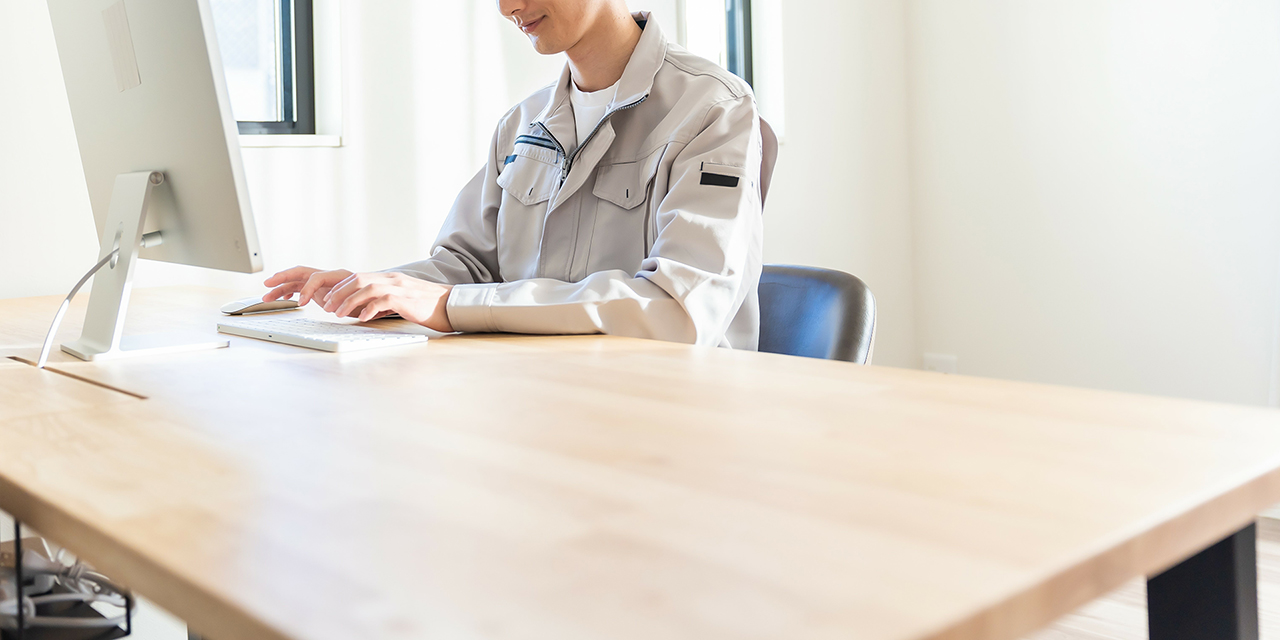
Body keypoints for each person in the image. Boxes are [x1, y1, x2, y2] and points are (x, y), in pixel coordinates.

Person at [262, 0, 764, 348]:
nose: (508, 8)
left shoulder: (714, 108)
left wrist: (454, 305)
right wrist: (372, 287)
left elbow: (678, 309)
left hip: (669, 410)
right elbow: (467, 268)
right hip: (540, 390)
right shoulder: (523, 123)